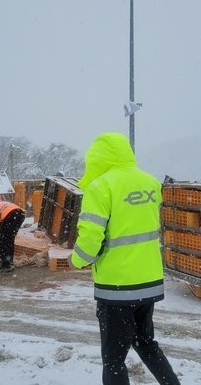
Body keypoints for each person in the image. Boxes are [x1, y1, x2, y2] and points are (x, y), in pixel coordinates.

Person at [69, 133, 181, 385]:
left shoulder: (101, 186)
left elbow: (90, 239)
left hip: (117, 287)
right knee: (146, 343)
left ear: (97, 158)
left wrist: (75, 260)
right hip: (149, 280)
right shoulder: (150, 183)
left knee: (113, 359)